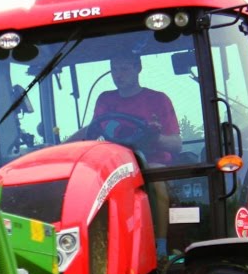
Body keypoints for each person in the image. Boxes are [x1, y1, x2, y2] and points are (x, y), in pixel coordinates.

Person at [69, 54, 181, 260]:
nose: (118, 75)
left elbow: (176, 144)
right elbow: (95, 128)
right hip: (116, 162)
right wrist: (65, 146)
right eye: (114, 69)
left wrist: (155, 137)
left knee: (156, 181)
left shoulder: (158, 99)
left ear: (138, 68)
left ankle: (161, 246)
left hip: (150, 162)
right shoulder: (105, 99)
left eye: (124, 69)